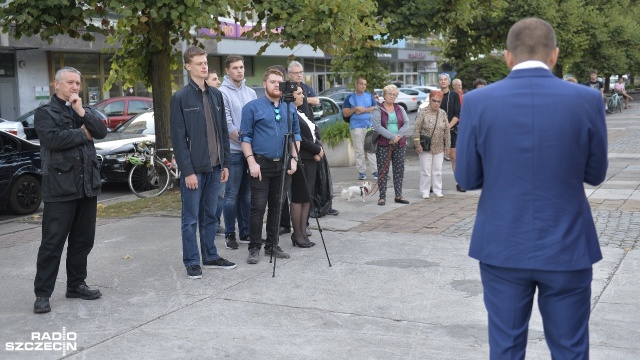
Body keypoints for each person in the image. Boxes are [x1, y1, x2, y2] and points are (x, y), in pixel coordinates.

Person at [455, 18, 608, 359]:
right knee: (570, 349)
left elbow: (466, 178)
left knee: (506, 348)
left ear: (508, 57)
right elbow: (596, 174)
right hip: (568, 246)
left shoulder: (479, 102)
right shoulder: (587, 99)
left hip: (503, 244)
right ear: (554, 56)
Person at [33, 66, 109, 314]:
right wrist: (82, 133)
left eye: (77, 83)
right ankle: (43, 294)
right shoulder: (44, 113)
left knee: (83, 241)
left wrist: (81, 113)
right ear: (56, 85)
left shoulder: (82, 110)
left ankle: (76, 285)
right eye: (69, 83)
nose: (75, 87)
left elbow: (101, 131)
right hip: (60, 188)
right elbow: (53, 140)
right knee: (52, 243)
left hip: (87, 186)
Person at [170, 46, 236, 279]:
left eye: (205, 62)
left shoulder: (217, 95)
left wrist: (225, 164)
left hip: (216, 166)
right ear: (188, 67)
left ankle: (210, 255)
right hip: (194, 170)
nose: (204, 66)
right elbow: (178, 139)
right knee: (190, 218)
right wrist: (186, 171)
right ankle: (192, 261)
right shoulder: (180, 98)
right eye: (199, 63)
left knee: (210, 215)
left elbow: (223, 132)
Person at [241, 68, 301, 264]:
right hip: (260, 164)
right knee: (258, 207)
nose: (276, 85)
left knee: (277, 206)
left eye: (279, 82)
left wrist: (294, 159)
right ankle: (254, 247)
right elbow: (245, 137)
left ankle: (272, 245)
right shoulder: (252, 107)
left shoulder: (289, 107)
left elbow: (296, 136)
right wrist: (251, 162)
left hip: (283, 165)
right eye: (272, 81)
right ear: (264, 83)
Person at [219, 54, 257, 250]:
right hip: (233, 153)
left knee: (247, 196)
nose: (239, 70)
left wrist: (251, 147)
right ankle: (230, 234)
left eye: (241, 67)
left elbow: (256, 120)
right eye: (235, 68)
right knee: (231, 195)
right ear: (227, 71)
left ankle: (245, 231)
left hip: (249, 152)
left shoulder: (251, 93)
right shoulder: (221, 93)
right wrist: (245, 143)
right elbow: (226, 124)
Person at [289, 85, 324, 247]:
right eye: (299, 93)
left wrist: (319, 147)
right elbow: (299, 138)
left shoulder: (301, 112)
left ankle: (303, 232)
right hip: (301, 158)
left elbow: (313, 133)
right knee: (299, 197)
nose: (303, 96)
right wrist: (316, 149)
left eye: (303, 93)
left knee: (307, 197)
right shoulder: (290, 113)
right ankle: (297, 234)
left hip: (311, 160)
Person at [371, 85, 410, 206]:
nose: (392, 96)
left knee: (399, 170)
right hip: (384, 144)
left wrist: (397, 136)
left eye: (394, 95)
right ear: (384, 95)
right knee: (383, 170)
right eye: (390, 94)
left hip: (400, 143)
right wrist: (391, 137)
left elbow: (406, 123)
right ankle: (382, 197)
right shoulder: (378, 109)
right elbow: (377, 126)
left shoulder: (399, 108)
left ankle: (398, 195)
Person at [414, 90, 451, 198]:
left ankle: (437, 190)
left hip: (439, 146)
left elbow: (447, 130)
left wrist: (447, 145)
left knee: (438, 170)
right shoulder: (423, 112)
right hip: (426, 147)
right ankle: (425, 191)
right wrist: (417, 144)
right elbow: (416, 129)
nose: (436, 103)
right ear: (430, 100)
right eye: (434, 100)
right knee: (426, 171)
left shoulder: (443, 113)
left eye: (439, 101)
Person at [342, 77, 378, 180]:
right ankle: (361, 172)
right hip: (356, 127)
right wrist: (355, 109)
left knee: (371, 149)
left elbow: (375, 108)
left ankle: (375, 171)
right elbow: (345, 112)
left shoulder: (369, 96)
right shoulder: (350, 98)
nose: (363, 86)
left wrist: (364, 110)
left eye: (365, 84)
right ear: (356, 85)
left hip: (369, 126)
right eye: (361, 84)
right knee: (359, 150)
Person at [207, 70, 225, 236]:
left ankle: (215, 223)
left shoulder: (218, 98)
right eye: (214, 79)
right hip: (208, 161)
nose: (218, 82)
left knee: (219, 195)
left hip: (220, 159)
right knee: (215, 196)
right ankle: (211, 224)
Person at [437, 73, 462, 193]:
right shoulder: (435, 95)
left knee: (454, 157)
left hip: (451, 130)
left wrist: (448, 126)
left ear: (449, 82)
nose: (443, 81)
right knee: (436, 158)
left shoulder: (454, 95)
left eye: (445, 79)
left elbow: (458, 113)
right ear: (438, 82)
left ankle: (459, 182)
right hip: (437, 132)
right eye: (441, 80)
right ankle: (434, 184)